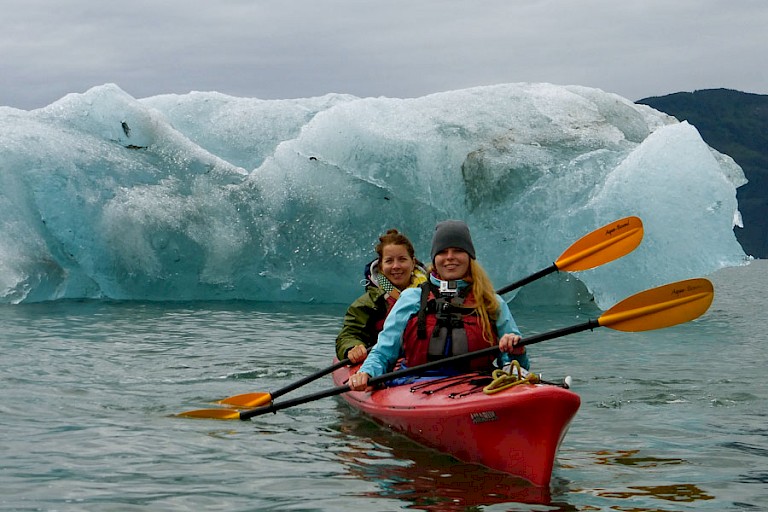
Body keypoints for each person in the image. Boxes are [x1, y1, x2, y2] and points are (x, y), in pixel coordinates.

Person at [348, 220, 529, 391]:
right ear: (434, 259)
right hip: (415, 385)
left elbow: (516, 366)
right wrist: (367, 372)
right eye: (442, 252)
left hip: (476, 385)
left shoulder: (491, 302)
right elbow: (384, 351)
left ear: (469, 256)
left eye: (458, 250)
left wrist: (516, 351)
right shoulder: (412, 298)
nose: (449, 257)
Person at [336, 229, 427, 364]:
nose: (396, 266)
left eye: (402, 259)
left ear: (413, 262)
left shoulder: (431, 294)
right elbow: (349, 334)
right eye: (389, 261)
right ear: (381, 266)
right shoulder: (370, 302)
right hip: (382, 363)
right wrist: (352, 347)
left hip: (422, 362)